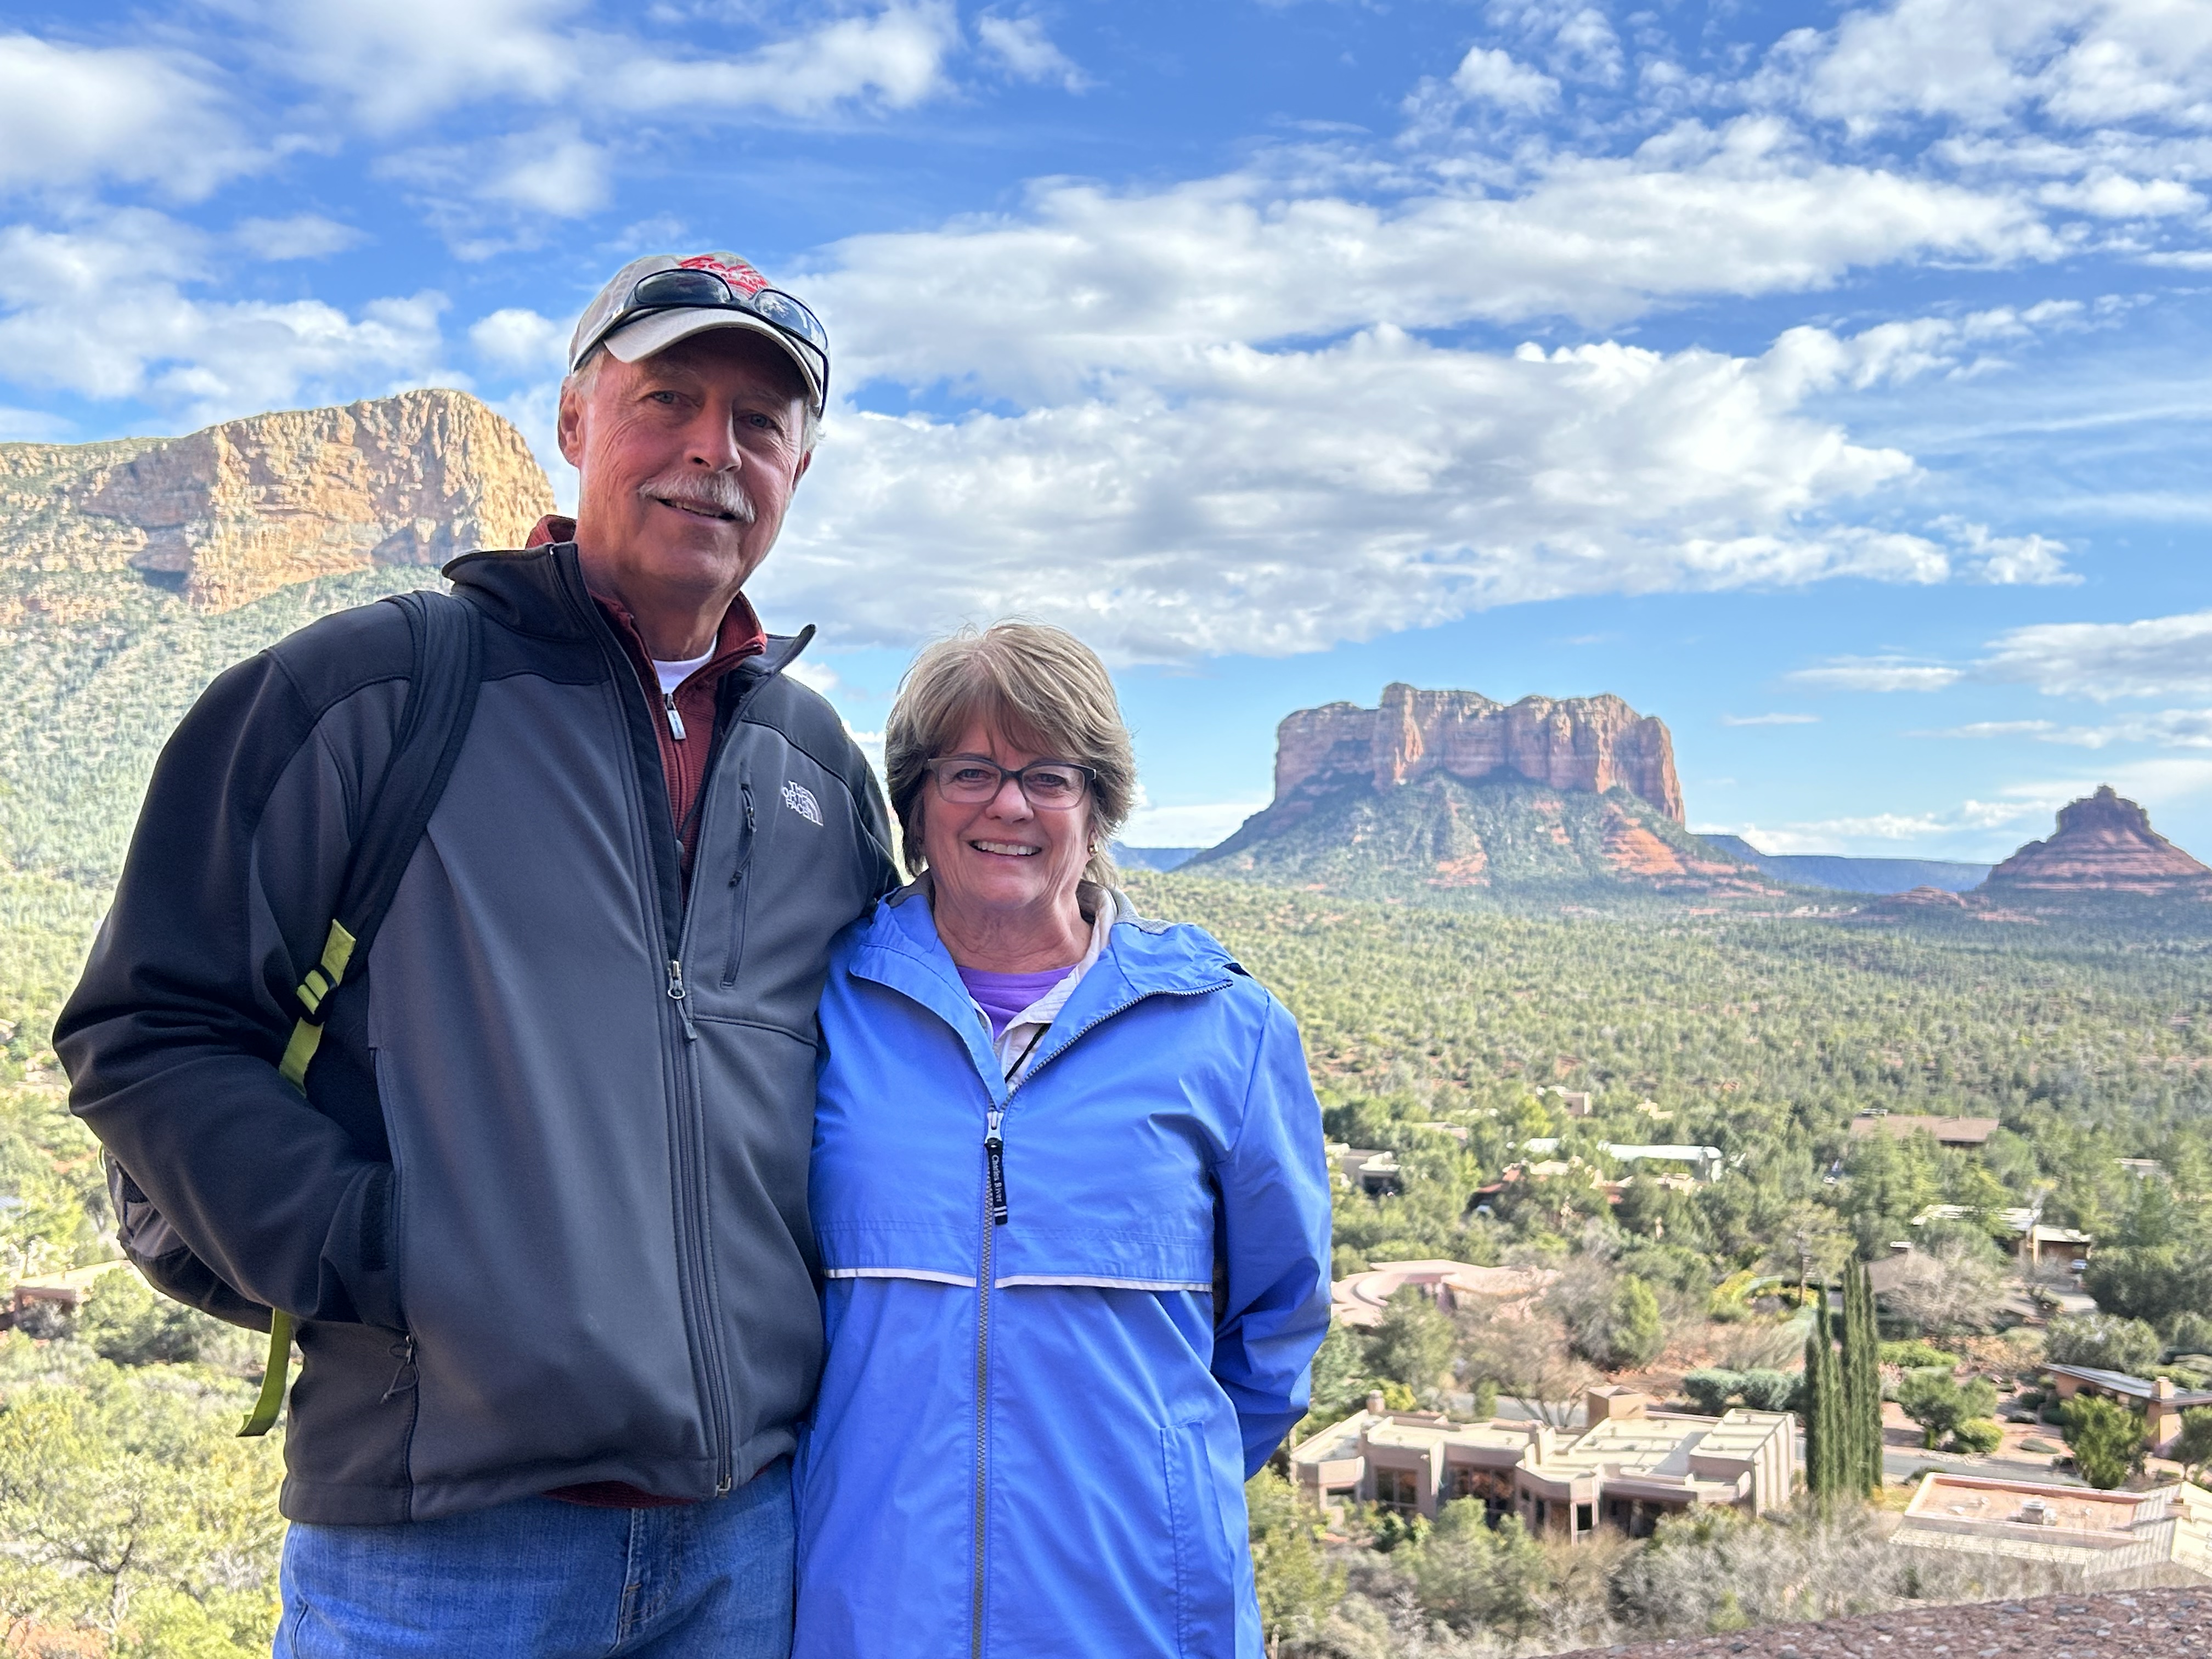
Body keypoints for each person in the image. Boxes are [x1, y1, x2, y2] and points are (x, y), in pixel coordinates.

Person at [57, 252, 897, 1657]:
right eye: (669, 398)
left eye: (760, 422)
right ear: (574, 420)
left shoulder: (816, 766)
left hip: (747, 1537)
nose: (714, 448)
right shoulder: (370, 694)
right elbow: (146, 1031)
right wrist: (388, 1251)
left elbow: (879, 1075)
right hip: (441, 1554)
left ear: (797, 468)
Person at [792, 622, 1333, 1658]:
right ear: (916, 801)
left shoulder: (1225, 1027)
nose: (1009, 805)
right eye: (970, 771)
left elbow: (1279, 1327)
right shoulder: (823, 1006)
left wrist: (1163, 1489)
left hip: (1141, 1614)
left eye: (1049, 775)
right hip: (872, 1607)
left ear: (1098, 805)